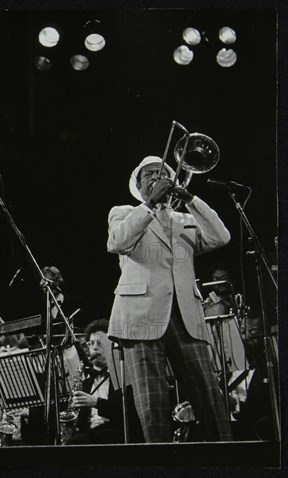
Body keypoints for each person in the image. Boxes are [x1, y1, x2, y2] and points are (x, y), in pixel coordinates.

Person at [107, 155, 233, 442]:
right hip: (140, 316)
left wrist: (190, 199)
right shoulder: (125, 212)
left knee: (210, 396)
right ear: (138, 186)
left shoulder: (185, 219)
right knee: (152, 405)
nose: (156, 177)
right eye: (148, 175)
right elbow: (117, 242)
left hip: (186, 315)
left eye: (162, 173)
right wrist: (150, 204)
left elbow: (220, 237)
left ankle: (228, 461)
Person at [65, 319, 142, 444]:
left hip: (115, 431)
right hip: (89, 433)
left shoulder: (123, 374)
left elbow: (129, 414)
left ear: (112, 346)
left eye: (99, 343)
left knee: (104, 436)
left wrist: (97, 402)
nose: (94, 348)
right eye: (91, 343)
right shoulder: (86, 382)